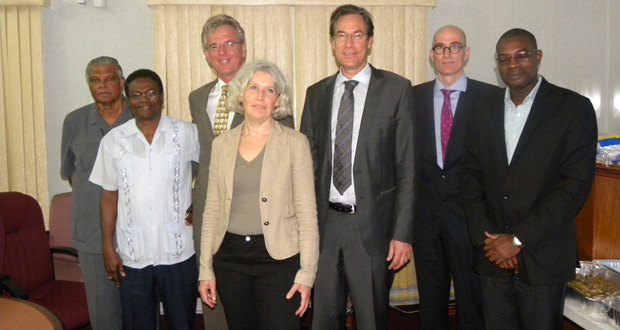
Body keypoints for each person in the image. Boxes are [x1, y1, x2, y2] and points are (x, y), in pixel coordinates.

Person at [459, 28, 598, 330]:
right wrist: (492, 241)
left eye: (521, 55)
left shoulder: (573, 108)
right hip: (492, 256)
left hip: (543, 256)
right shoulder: (481, 110)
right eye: (504, 58)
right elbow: (469, 177)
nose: (513, 64)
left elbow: (573, 187)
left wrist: (519, 240)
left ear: (537, 57)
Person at [299, 5, 415, 329]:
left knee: (371, 320)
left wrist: (403, 234)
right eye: (341, 35)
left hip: (373, 228)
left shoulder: (396, 89)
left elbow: (407, 167)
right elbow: (306, 165)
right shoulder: (316, 93)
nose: (349, 43)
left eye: (357, 35)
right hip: (325, 227)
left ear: (370, 41)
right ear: (332, 42)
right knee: (323, 319)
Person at [189, 15, 294, 329]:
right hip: (211, 215)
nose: (222, 52)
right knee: (216, 301)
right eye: (214, 46)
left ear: (243, 49)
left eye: (229, 43)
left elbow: (286, 159)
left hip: (257, 220)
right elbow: (201, 158)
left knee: (263, 309)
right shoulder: (197, 98)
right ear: (207, 54)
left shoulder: (267, 95)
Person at [197, 60, 319, 330]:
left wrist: (307, 273)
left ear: (278, 100)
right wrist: (205, 267)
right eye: (253, 88)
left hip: (279, 258)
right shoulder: (222, 144)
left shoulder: (295, 143)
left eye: (269, 90)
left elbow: (307, 212)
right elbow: (212, 209)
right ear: (241, 93)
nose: (260, 96)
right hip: (230, 258)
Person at [90, 69, 199, 330]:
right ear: (128, 100)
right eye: (136, 95)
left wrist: (200, 201)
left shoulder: (186, 133)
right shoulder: (113, 141)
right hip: (132, 252)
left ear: (162, 97)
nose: (144, 99)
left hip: (178, 251)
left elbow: (214, 170)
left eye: (151, 93)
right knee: (138, 324)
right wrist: (108, 246)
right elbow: (108, 195)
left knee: (182, 322)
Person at [412, 25, 500, 330]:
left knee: (473, 306)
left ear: (467, 52)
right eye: (440, 47)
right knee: (431, 307)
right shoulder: (412, 98)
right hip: (426, 224)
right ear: (431, 55)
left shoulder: (492, 98)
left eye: (454, 46)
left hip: (472, 222)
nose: (446, 53)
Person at [60, 56, 132, 330]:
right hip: (92, 235)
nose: (102, 85)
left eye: (109, 78)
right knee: (104, 315)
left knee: (141, 310)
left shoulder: (140, 117)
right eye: (95, 80)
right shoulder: (74, 121)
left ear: (122, 82)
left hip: (137, 234)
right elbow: (71, 174)